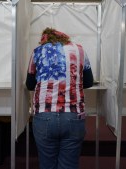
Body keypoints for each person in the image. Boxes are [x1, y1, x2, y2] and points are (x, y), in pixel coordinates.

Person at [26, 27, 94, 169]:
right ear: (65, 38)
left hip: (44, 115)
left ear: (45, 39)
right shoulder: (80, 50)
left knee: (47, 164)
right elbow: (88, 82)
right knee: (69, 164)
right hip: (73, 115)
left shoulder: (38, 51)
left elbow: (30, 84)